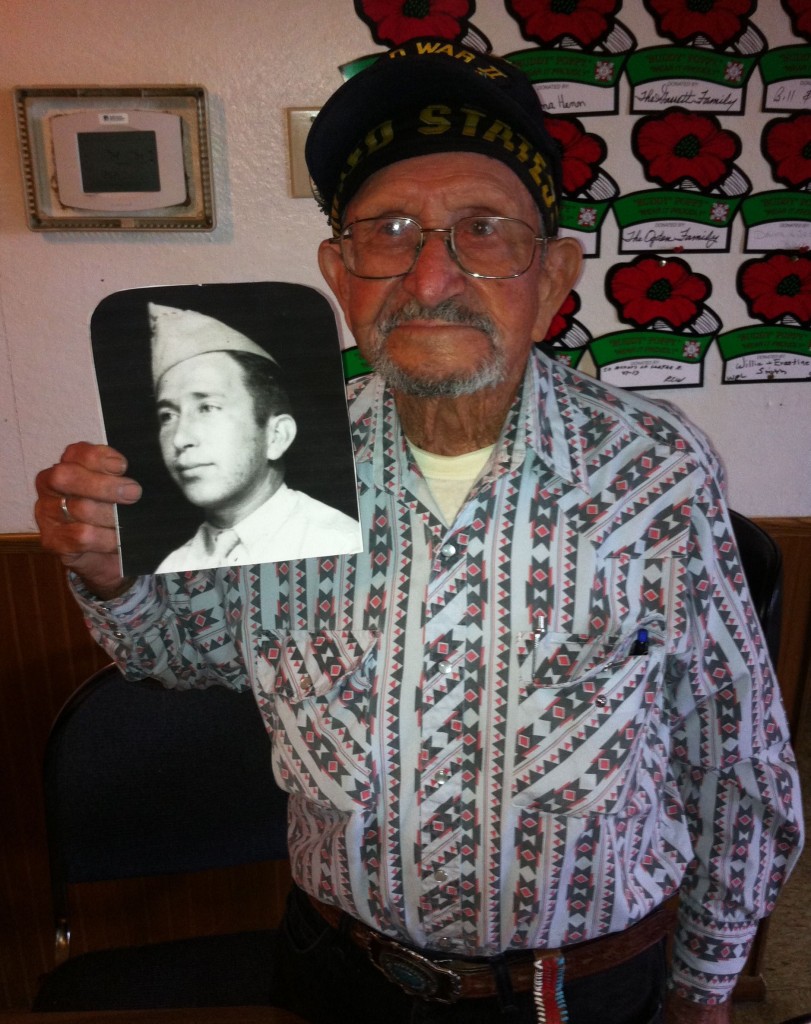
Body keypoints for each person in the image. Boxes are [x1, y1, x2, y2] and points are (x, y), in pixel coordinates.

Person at [35, 40, 802, 1024]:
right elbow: (185, 658)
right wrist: (112, 572)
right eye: (389, 231)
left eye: (484, 230)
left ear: (553, 277)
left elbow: (734, 757)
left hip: (586, 994)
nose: (433, 274)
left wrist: (705, 992)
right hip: (339, 977)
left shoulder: (655, 472)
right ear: (339, 273)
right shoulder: (274, 468)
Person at [147, 302, 361, 571]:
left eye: (207, 407)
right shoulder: (171, 567)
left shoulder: (340, 544)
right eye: (167, 416)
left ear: (276, 436)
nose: (180, 439)